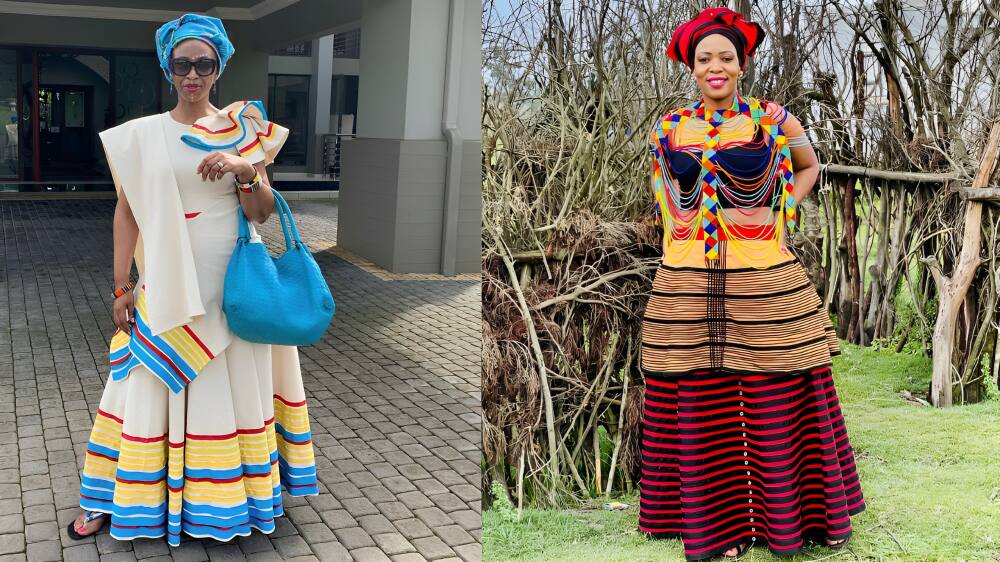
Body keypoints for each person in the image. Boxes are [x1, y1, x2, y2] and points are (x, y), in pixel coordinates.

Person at [68, 13, 318, 545]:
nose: (193, 74)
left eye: (204, 63)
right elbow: (126, 214)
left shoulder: (242, 129)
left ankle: (229, 501)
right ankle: (115, 497)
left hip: (231, 287)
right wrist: (119, 286)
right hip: (163, 284)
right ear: (167, 66)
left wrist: (242, 168)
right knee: (139, 384)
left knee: (227, 390)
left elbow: (262, 213)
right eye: (182, 63)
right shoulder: (141, 136)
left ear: (219, 65)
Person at [639, 7, 866, 560]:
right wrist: (685, 234)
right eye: (704, 59)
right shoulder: (670, 128)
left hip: (763, 278)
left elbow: (811, 166)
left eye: (726, 58)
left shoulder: (773, 120)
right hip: (689, 280)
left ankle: (795, 518)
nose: (715, 67)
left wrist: (781, 207)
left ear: (741, 65)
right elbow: (665, 195)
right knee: (698, 395)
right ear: (690, 68)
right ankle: (717, 528)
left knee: (775, 388)